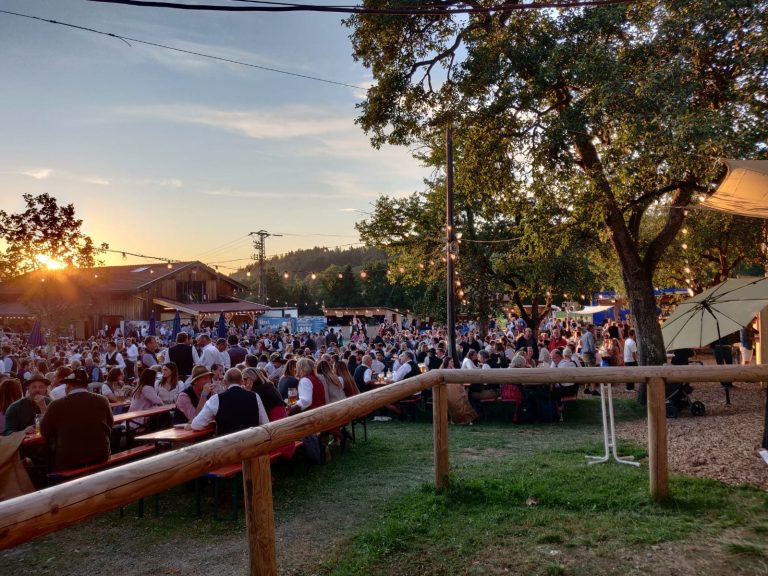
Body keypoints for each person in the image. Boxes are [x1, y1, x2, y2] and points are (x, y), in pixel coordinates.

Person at [40, 368, 114, 472]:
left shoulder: (56, 405)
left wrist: (43, 409)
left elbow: (45, 432)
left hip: (70, 460)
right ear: (86, 385)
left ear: (69, 386)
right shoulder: (102, 400)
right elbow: (110, 425)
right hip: (101, 455)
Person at [189, 368, 268, 435]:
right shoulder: (255, 396)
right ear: (241, 381)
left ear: (225, 382)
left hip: (227, 448)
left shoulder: (216, 399)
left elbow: (196, 425)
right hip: (251, 446)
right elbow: (265, 423)